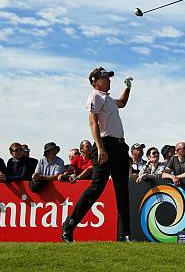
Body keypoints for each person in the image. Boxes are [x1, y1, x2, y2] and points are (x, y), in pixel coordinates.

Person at [62, 67, 133, 243]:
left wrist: (128, 88)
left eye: (108, 77)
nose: (109, 80)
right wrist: (100, 148)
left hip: (119, 147)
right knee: (96, 189)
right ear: (95, 81)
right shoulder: (94, 96)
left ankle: (126, 235)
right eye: (105, 77)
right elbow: (93, 123)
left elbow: (122, 103)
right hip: (105, 145)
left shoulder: (107, 98)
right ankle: (69, 225)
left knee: (122, 191)